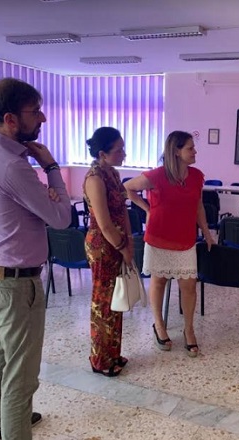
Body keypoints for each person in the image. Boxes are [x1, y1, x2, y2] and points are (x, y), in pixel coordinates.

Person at [0, 77, 72, 440]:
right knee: (22, 373)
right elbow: (61, 218)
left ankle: (0, 426)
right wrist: (52, 168)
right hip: (14, 284)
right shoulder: (14, 167)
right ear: (11, 119)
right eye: (35, 111)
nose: (42, 118)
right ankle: (12, 431)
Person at [124, 130, 214, 357]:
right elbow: (128, 188)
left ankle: (189, 330)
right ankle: (159, 325)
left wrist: (206, 231)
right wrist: (147, 210)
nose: (195, 152)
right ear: (176, 151)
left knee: (189, 285)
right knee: (159, 282)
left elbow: (198, 205)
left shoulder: (196, 176)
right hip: (159, 237)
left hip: (185, 238)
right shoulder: (157, 175)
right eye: (190, 148)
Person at [83, 127, 134, 377]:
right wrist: (123, 248)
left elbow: (123, 211)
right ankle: (100, 360)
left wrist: (130, 241)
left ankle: (113, 353)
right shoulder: (94, 179)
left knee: (116, 300)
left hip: (118, 241)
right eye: (118, 150)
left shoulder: (113, 173)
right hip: (103, 246)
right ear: (102, 154)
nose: (123, 154)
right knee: (103, 303)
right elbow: (104, 224)